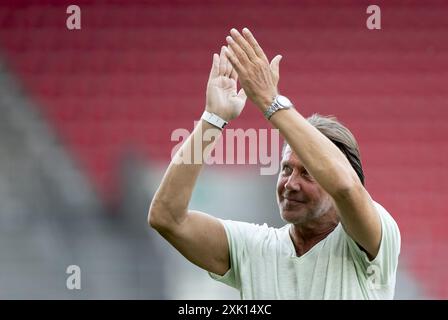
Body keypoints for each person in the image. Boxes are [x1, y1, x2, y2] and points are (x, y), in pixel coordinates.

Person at [148, 28, 401, 299]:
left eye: (308, 173)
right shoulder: (254, 248)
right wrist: (212, 119)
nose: (290, 184)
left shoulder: (369, 241)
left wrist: (271, 102)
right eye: (286, 169)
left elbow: (346, 188)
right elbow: (167, 218)